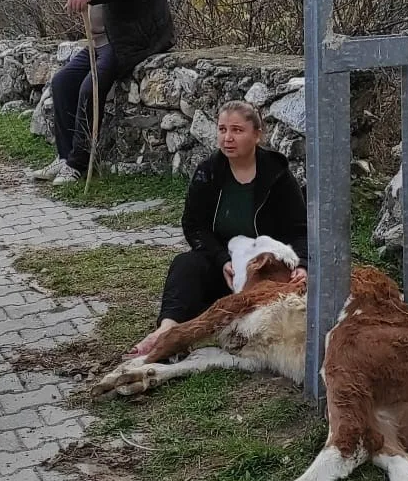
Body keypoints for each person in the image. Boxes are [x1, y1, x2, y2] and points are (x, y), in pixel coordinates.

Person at [130, 101, 309, 356]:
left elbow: (300, 230)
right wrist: (222, 259)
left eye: (237, 130)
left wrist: (302, 265)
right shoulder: (208, 173)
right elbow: (194, 225)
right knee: (186, 264)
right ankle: (167, 329)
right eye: (222, 129)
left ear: (257, 134)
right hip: (226, 269)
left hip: (265, 272)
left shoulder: (277, 176)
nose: (228, 138)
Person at [31, 0, 175, 186]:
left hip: (133, 40)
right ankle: (64, 157)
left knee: (90, 87)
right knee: (62, 82)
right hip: (103, 41)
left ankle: (78, 164)